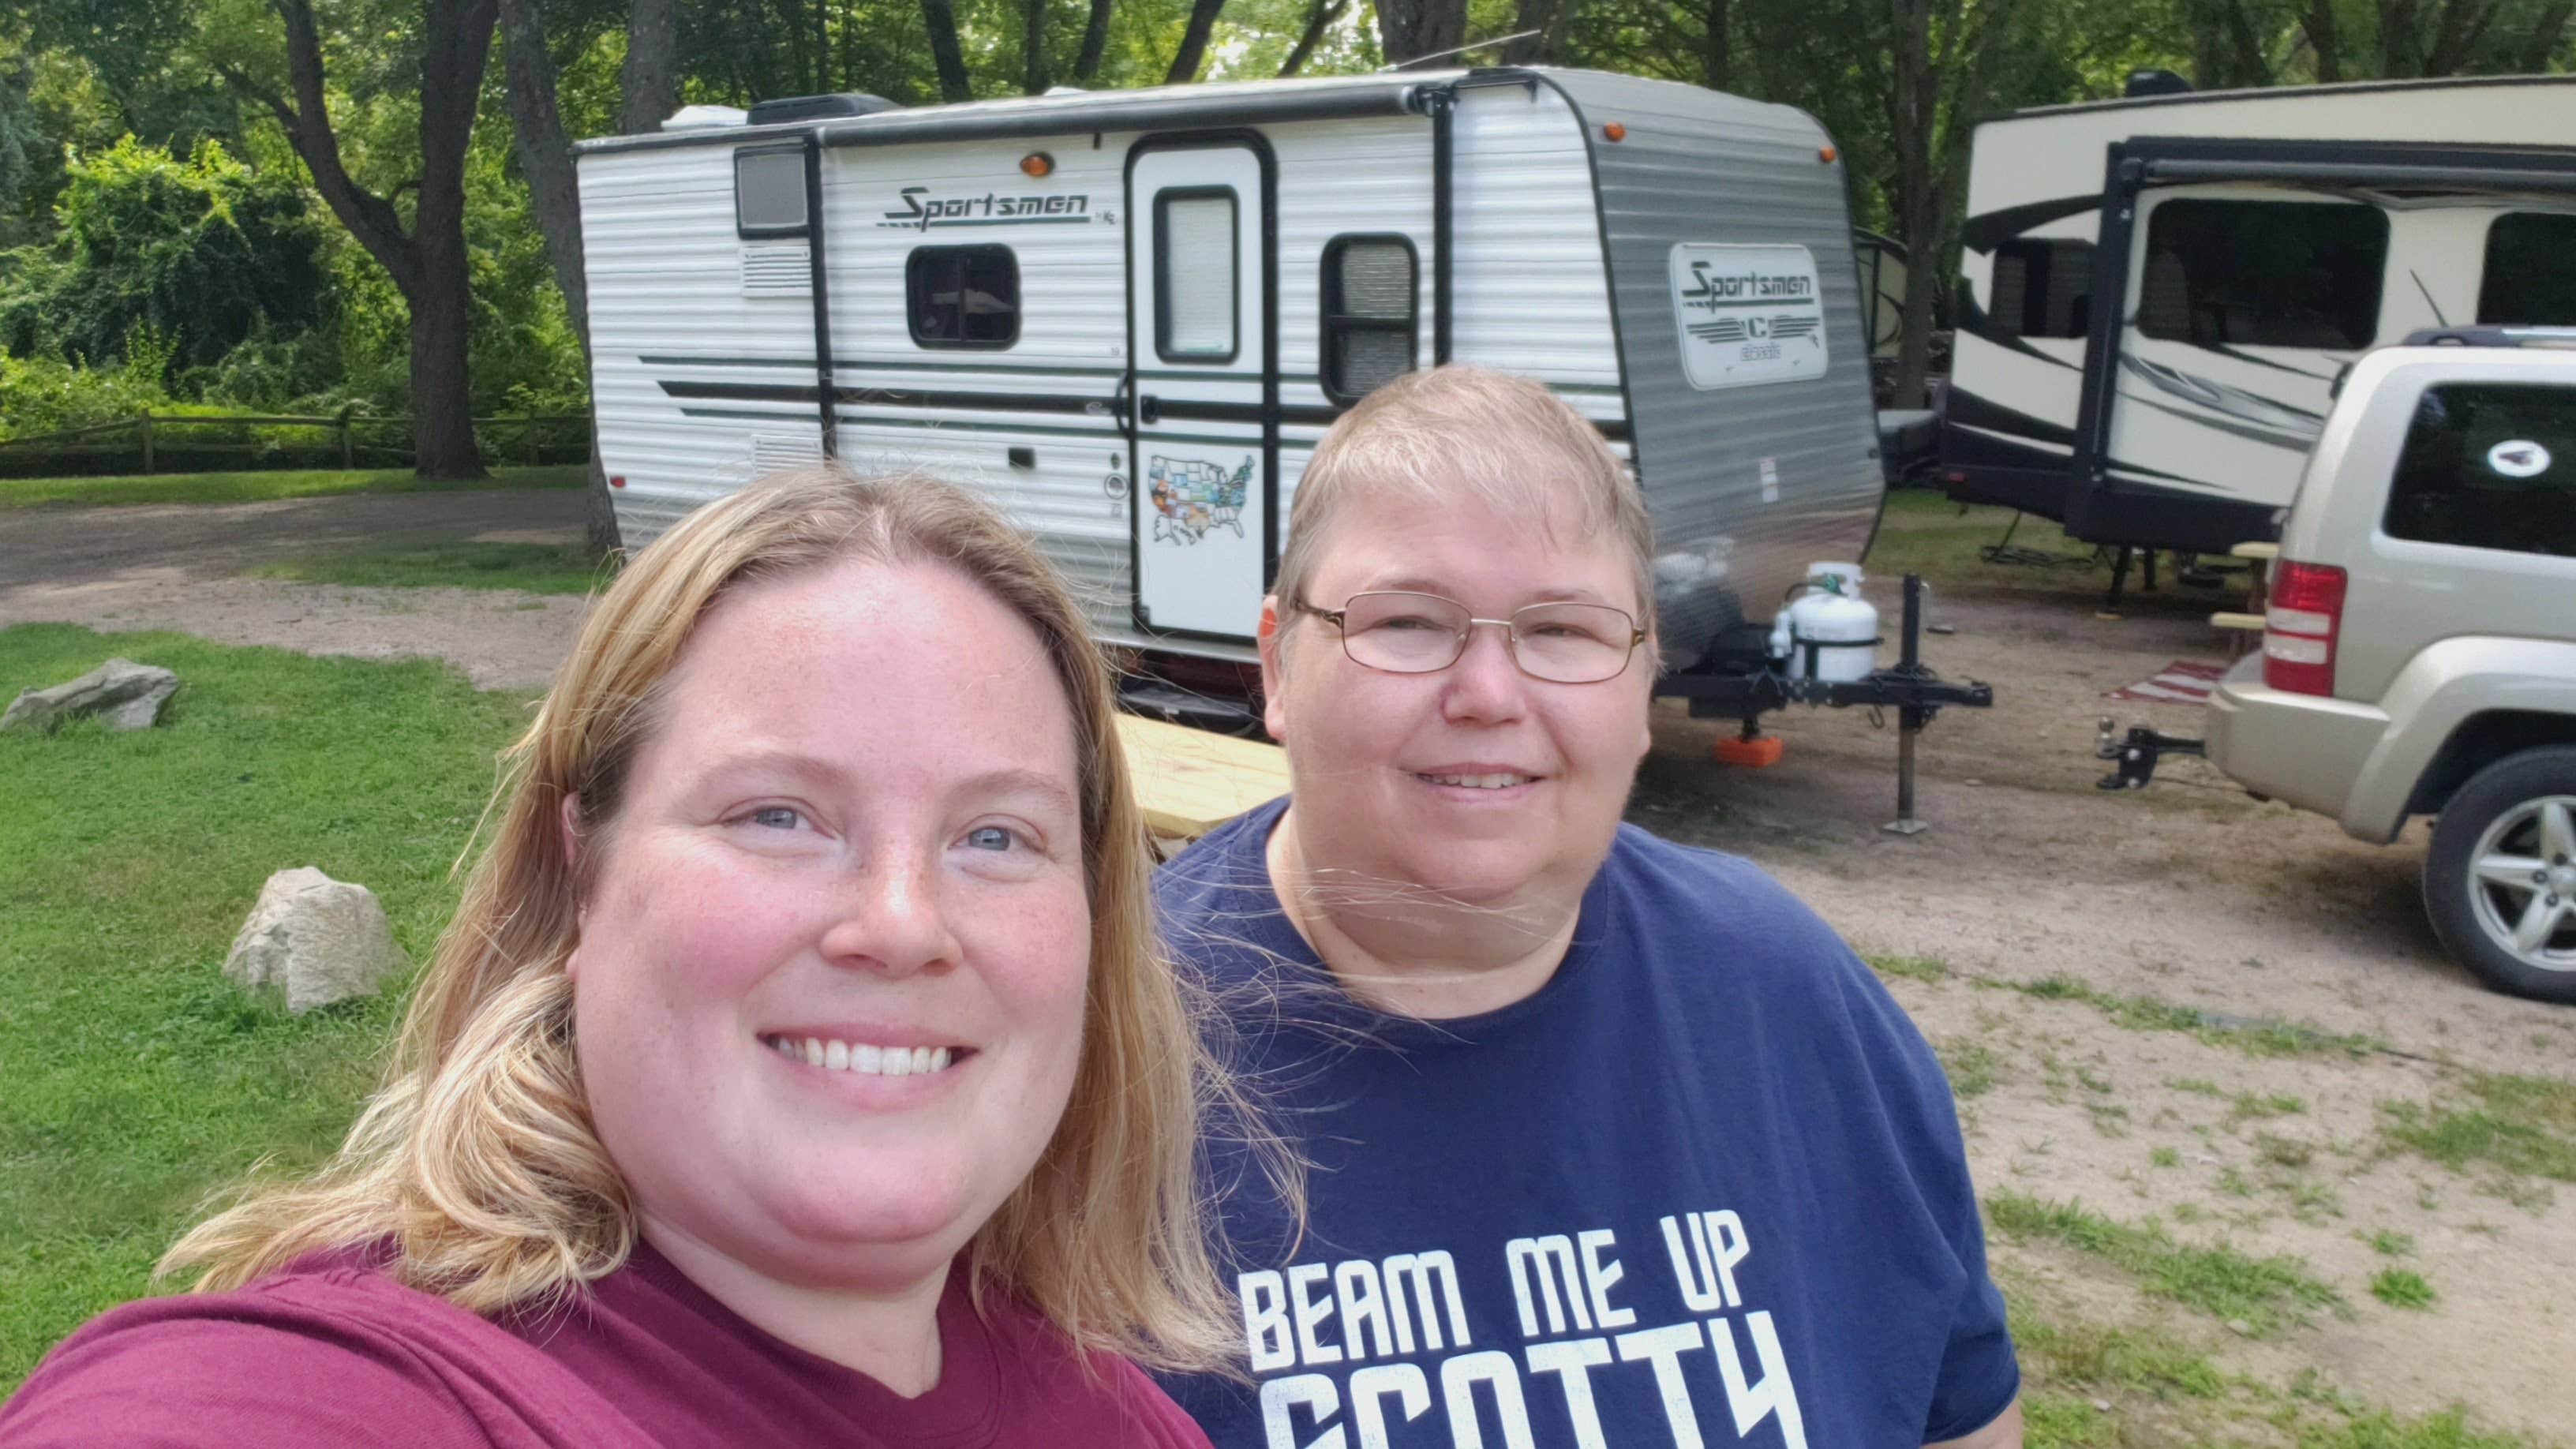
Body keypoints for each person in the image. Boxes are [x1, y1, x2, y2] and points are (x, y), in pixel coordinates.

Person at [2, 470, 1264, 1447]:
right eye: (779, 815)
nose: (900, 921)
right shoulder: (327, 1390)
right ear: (581, 878)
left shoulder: (1122, 1412)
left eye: (997, 835)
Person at [1155, 368, 2023, 1449]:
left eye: (1563, 631)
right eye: (1410, 621)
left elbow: (1958, 1409)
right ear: (1279, 665)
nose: (1487, 694)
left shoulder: (1790, 996)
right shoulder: (1102, 1050)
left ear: (1645, 677)